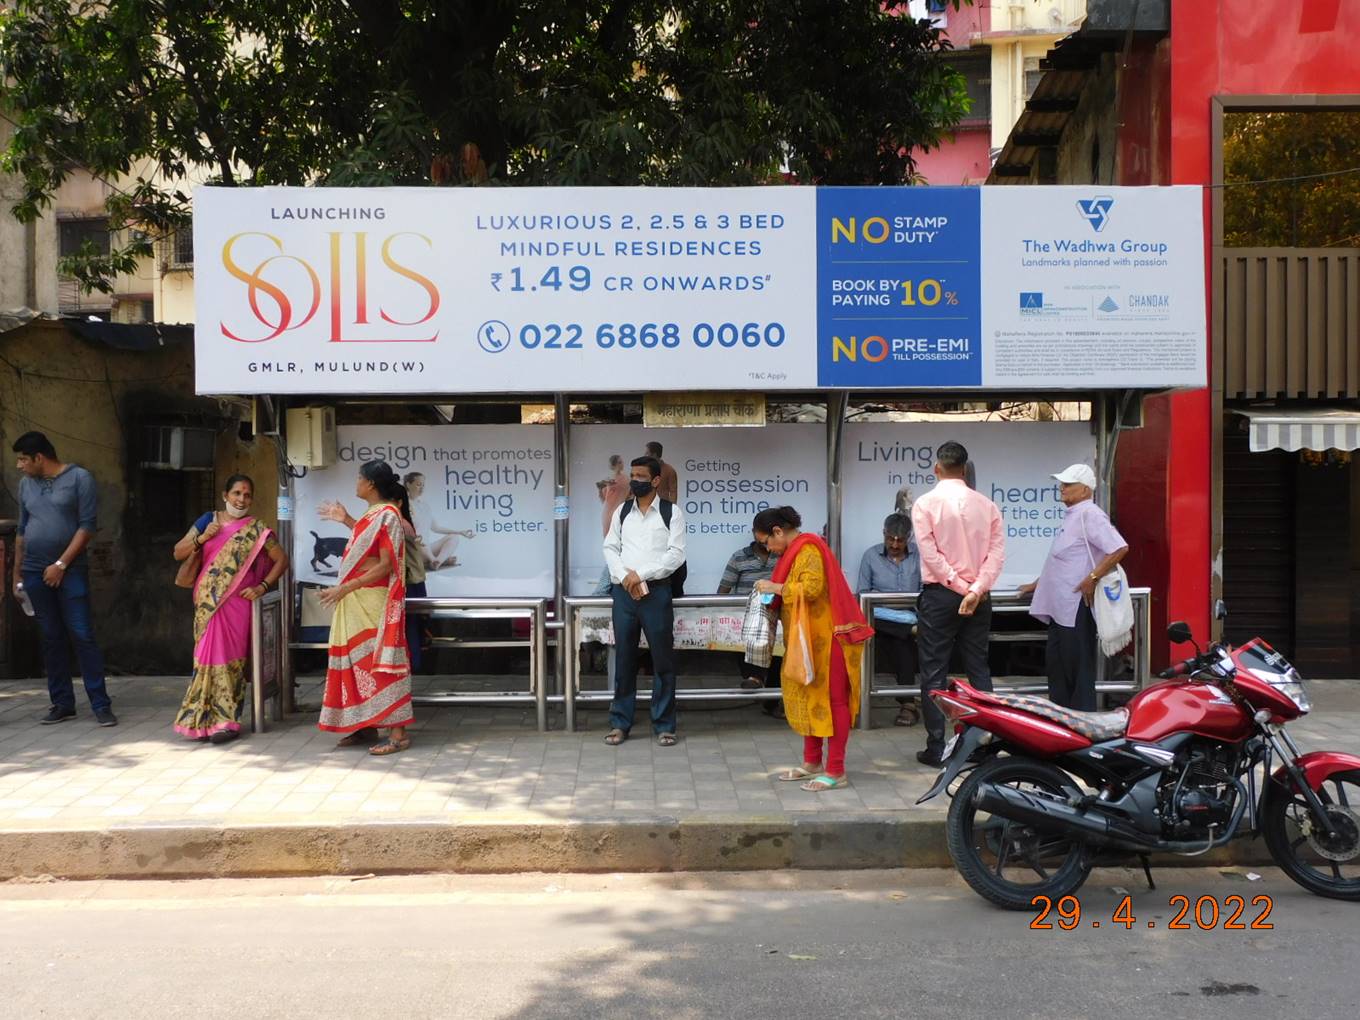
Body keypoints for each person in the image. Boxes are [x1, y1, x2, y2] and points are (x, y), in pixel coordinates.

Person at [753, 506, 873, 792]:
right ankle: (812, 762)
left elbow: (812, 588)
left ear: (778, 531)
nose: (768, 548)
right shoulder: (799, 549)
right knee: (810, 697)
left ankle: (836, 769)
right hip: (808, 639)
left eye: (767, 541)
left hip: (829, 637)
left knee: (834, 702)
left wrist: (776, 587)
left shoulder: (808, 549)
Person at [171, 474, 289, 742]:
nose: (241, 499)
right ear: (225, 495)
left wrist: (262, 586)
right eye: (236, 493)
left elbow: (281, 559)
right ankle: (200, 721)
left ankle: (227, 722)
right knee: (205, 659)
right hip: (207, 605)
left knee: (231, 662)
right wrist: (201, 538)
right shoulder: (207, 521)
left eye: (247, 495)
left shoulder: (257, 529)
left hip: (238, 606)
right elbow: (178, 552)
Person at [10, 431, 116, 726]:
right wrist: (16, 574)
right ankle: (62, 703)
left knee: (82, 634)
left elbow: (87, 527)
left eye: (22, 459)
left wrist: (61, 564)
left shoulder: (80, 479)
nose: (19, 465)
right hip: (33, 571)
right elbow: (22, 530)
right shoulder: (25, 485)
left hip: (70, 571)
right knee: (51, 637)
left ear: (39, 458)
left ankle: (100, 704)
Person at [910, 440, 1005, 766]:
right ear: (965, 469)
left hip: (941, 595)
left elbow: (930, 554)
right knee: (979, 667)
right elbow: (996, 555)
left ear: (937, 468)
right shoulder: (987, 505)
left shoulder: (925, 504)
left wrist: (960, 587)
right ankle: (985, 746)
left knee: (934, 672)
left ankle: (937, 748)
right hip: (979, 596)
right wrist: (975, 590)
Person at [316, 460, 413, 755]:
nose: (356, 482)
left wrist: (345, 587)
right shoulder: (374, 515)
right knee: (357, 663)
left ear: (370, 484)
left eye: (359, 478)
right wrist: (346, 519)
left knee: (382, 661)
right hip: (357, 602)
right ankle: (366, 723)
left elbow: (385, 564)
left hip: (372, 600)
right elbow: (366, 543)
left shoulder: (389, 516)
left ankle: (397, 734)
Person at [1019, 464, 1129, 711]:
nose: (1062, 488)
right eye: (1062, 483)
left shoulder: (1090, 514)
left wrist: (1092, 577)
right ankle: (1062, 723)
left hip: (1076, 606)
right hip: (1061, 607)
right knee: (1058, 669)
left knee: (1077, 671)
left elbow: (1120, 547)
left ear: (1085, 490)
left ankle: (1081, 725)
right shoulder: (1074, 515)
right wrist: (1037, 584)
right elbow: (1063, 558)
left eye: (1068, 484)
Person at [602, 455, 685, 747]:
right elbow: (610, 547)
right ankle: (620, 723)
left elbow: (676, 555)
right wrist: (625, 576)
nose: (634, 480)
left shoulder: (670, 513)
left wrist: (642, 575)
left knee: (662, 660)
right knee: (624, 659)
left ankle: (664, 725)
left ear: (655, 480)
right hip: (624, 594)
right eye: (633, 475)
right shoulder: (622, 512)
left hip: (657, 593)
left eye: (640, 476)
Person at [857, 512, 922, 727]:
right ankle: (908, 704)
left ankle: (908, 704)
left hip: (908, 616)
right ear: (884, 534)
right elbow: (863, 595)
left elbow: (924, 593)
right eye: (890, 538)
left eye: (900, 540)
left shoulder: (919, 557)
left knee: (900, 644)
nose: (894, 544)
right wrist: (905, 621)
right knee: (898, 631)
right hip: (878, 615)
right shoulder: (871, 556)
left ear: (909, 538)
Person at [717, 530, 779, 692]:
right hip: (747, 617)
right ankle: (754, 678)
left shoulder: (782, 555)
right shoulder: (739, 557)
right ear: (754, 533)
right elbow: (723, 590)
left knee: (778, 658)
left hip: (777, 616)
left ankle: (770, 700)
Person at [404, 471, 474, 569]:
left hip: (426, 549)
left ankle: (437, 561)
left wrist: (459, 532)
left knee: (454, 537)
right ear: (408, 484)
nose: (422, 488)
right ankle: (434, 560)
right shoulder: (403, 505)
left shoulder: (425, 506)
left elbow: (436, 528)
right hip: (413, 550)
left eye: (423, 485)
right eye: (419, 485)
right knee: (419, 540)